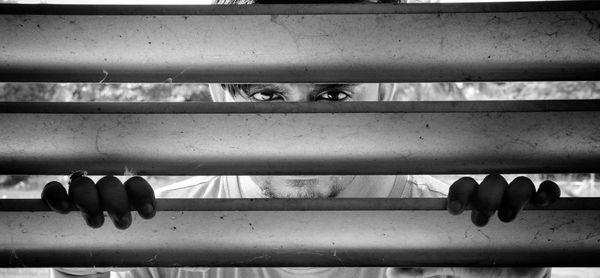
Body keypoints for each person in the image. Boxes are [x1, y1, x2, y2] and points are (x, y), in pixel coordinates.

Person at [42, 83, 561, 278]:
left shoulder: (458, 241)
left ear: (388, 91)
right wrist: (77, 265)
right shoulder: (153, 236)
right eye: (266, 96)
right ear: (221, 97)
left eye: (332, 96)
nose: (298, 130)